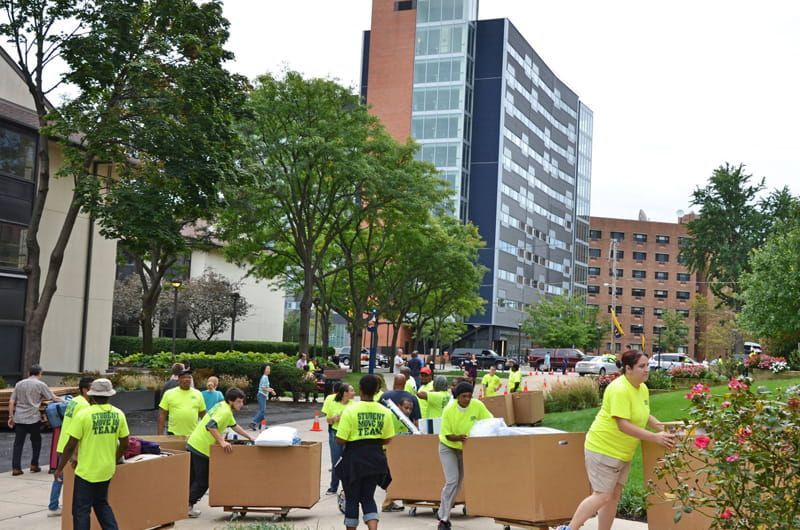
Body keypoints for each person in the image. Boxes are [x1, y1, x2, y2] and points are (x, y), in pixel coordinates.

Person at [556, 350, 676, 530]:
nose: (646, 370)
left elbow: (644, 413)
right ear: (628, 368)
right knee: (602, 495)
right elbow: (623, 425)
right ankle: (569, 528)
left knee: (613, 495)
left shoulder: (641, 387)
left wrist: (662, 427)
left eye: (647, 365)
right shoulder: (619, 389)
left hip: (622, 452)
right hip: (603, 449)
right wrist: (654, 437)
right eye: (641, 366)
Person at [55, 378, 129, 530]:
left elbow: (70, 445)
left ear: (92, 395)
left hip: (86, 471)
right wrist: (113, 459)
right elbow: (125, 443)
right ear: (109, 395)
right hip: (107, 469)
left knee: (81, 510)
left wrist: (60, 467)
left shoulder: (84, 415)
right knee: (101, 504)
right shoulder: (119, 414)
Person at [335, 374, 395, 530]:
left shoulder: (350, 410)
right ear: (376, 390)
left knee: (352, 499)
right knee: (368, 497)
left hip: (354, 459)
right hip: (375, 459)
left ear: (360, 389)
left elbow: (340, 439)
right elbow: (388, 439)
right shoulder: (385, 412)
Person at [186, 387, 254, 518]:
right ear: (231, 401)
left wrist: (250, 437)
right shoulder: (225, 411)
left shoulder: (222, 406)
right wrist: (222, 441)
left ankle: (185, 504)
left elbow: (234, 425)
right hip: (202, 448)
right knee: (203, 481)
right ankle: (188, 506)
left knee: (193, 478)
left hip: (194, 443)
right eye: (239, 401)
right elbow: (210, 426)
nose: (242, 404)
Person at [437, 382, 492, 530]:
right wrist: (459, 438)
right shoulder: (449, 409)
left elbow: (489, 421)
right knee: (452, 481)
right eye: (463, 396)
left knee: (458, 484)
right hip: (448, 446)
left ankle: (443, 511)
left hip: (465, 448)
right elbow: (448, 435)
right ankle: (444, 519)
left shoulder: (477, 405)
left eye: (469, 396)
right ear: (457, 396)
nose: (467, 399)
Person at [48, 376, 93, 517]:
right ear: (85, 390)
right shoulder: (84, 406)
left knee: (60, 476)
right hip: (71, 446)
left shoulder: (74, 401)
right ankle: (60, 506)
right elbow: (80, 429)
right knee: (72, 479)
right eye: (92, 389)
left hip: (63, 443)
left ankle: (53, 505)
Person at [8, 364, 64, 476]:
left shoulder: (19, 384)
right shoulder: (40, 384)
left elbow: (11, 401)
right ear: (40, 373)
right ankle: (34, 465)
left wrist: (11, 416)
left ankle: (16, 468)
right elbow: (52, 398)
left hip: (19, 418)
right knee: (36, 442)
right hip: (33, 418)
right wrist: (65, 401)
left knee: (18, 444)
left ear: (29, 373)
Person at [322, 383, 355, 495]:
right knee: (336, 461)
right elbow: (328, 420)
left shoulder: (353, 405)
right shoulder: (334, 404)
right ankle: (333, 486)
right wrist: (334, 418)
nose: (354, 393)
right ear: (345, 393)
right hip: (336, 433)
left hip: (349, 435)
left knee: (349, 461)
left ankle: (349, 486)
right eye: (351, 391)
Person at [158, 368, 205, 436]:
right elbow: (162, 414)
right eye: (183, 377)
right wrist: (160, 435)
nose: (187, 379)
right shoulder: (169, 393)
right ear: (178, 380)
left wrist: (205, 432)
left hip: (193, 434)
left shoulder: (198, 394)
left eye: (189, 377)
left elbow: (203, 414)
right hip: (173, 433)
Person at [250, 364, 276, 430]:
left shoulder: (265, 377)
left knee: (262, 411)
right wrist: (270, 390)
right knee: (262, 411)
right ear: (264, 370)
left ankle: (262, 425)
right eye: (267, 369)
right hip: (261, 395)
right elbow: (263, 387)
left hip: (262, 395)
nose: (269, 370)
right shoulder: (264, 377)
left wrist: (271, 390)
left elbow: (266, 387)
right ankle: (253, 423)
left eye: (269, 369)